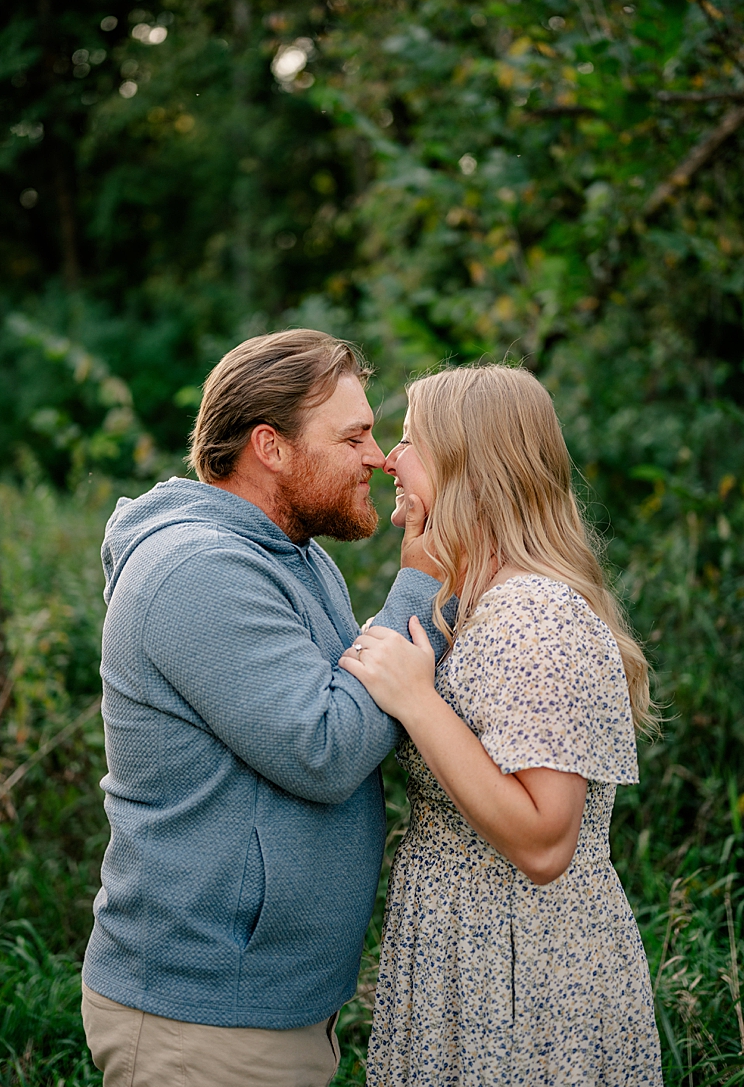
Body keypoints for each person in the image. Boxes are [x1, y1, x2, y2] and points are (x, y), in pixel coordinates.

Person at [82, 329, 447, 1087]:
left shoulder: (295, 556)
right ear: (270, 446)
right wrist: (420, 584)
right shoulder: (198, 571)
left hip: (262, 1007)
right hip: (203, 1020)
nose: (379, 457)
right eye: (353, 436)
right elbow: (327, 749)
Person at [340, 364, 663, 1086]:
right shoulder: (477, 606)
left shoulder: (534, 616)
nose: (390, 459)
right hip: (469, 958)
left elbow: (546, 842)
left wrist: (417, 700)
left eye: (410, 441)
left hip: (522, 977)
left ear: (471, 468)